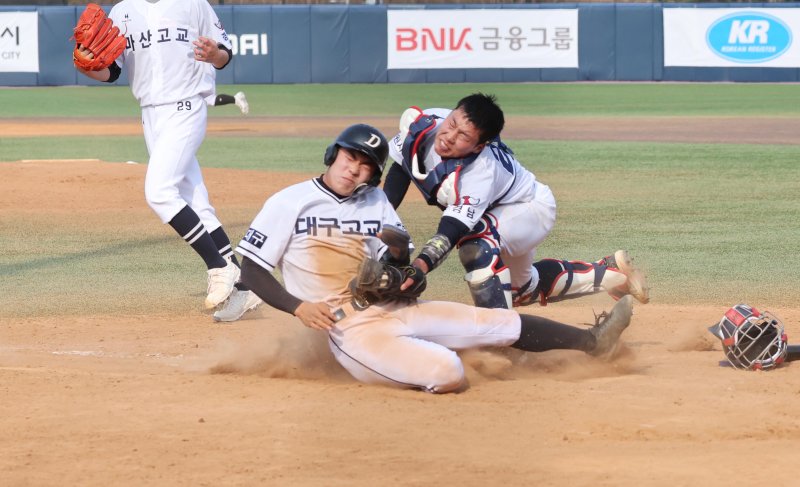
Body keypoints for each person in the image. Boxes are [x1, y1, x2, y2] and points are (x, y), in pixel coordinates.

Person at [229, 123, 636, 393]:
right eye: (350, 158)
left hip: (395, 309)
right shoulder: (290, 202)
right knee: (448, 373)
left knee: (499, 322)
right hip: (349, 329)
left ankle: (593, 343)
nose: (355, 170)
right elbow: (251, 267)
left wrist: (404, 274)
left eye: (366, 167)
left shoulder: (375, 204)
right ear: (332, 154)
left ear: (374, 176)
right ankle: (430, 354)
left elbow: (403, 265)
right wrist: (297, 306)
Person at [382, 93, 649, 310]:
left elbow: (451, 230)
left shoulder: (480, 171)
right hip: (497, 213)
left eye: (464, 136)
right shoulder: (429, 121)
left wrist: (420, 266)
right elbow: (403, 166)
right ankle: (611, 274)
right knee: (521, 290)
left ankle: (498, 340)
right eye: (452, 123)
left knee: (476, 245)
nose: (449, 136)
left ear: (479, 145)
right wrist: (380, 216)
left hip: (529, 208)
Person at [75, 0, 242, 310]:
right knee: (193, 201)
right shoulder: (123, 11)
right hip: (150, 116)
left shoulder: (193, 5)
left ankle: (219, 266)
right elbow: (112, 71)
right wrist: (87, 66)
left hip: (185, 106)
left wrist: (215, 55)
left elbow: (224, 54)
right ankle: (244, 287)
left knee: (160, 192)